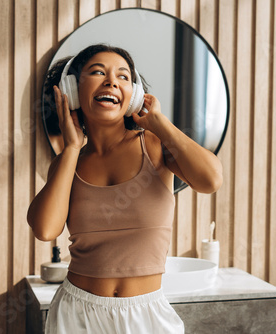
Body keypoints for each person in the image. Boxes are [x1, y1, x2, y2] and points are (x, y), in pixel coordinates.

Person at [27, 44, 223, 333]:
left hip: (147, 314)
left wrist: (160, 123)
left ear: (134, 95)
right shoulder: (67, 164)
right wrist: (70, 148)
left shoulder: (156, 146)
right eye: (97, 72)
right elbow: (45, 230)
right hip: (76, 314)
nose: (112, 82)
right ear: (71, 89)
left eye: (123, 76)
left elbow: (211, 180)